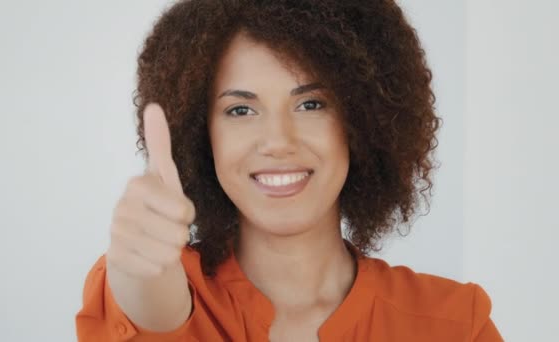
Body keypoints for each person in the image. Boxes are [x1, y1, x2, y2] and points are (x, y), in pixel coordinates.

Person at [76, 0, 503, 341]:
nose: (278, 140)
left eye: (310, 104)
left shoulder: (454, 324)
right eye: (240, 109)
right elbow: (155, 310)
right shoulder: (177, 290)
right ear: (201, 134)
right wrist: (139, 267)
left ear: (361, 121)